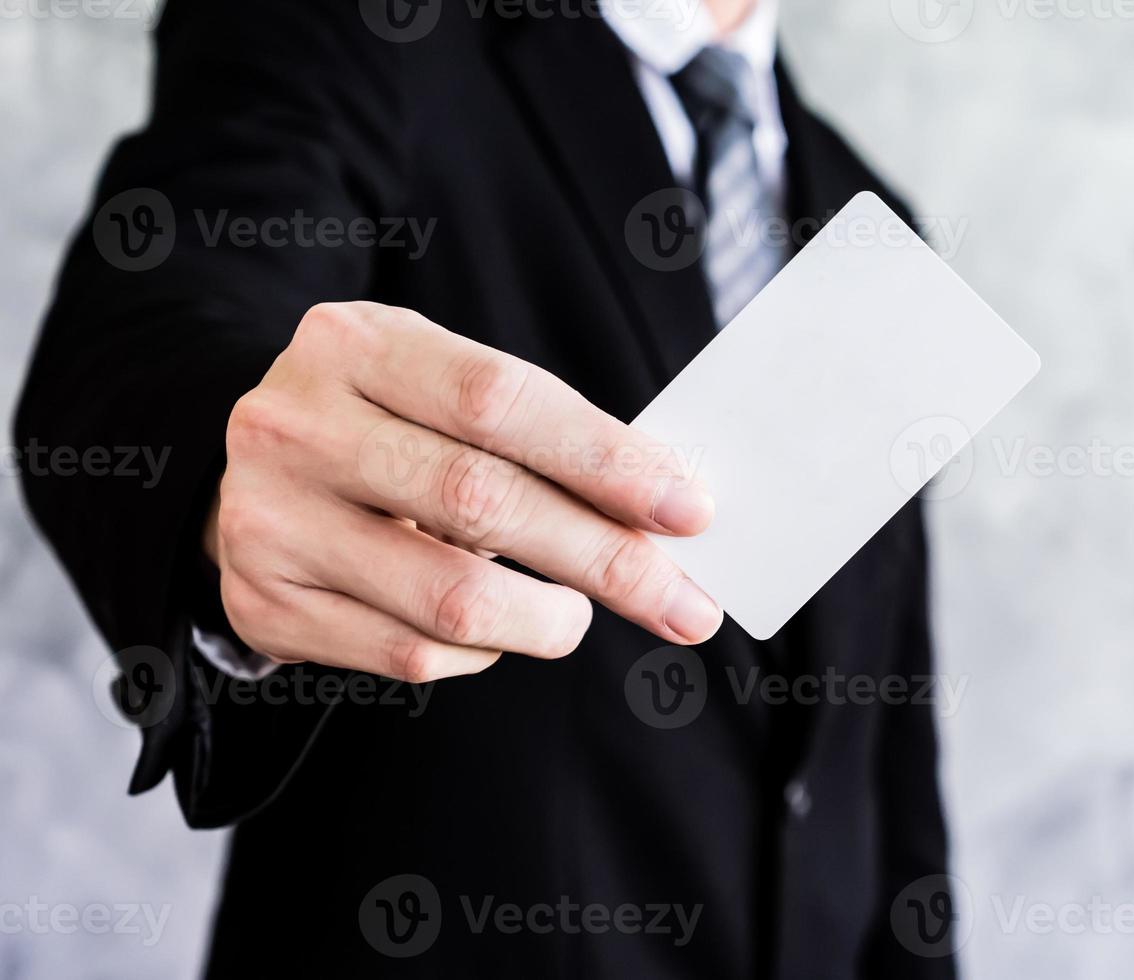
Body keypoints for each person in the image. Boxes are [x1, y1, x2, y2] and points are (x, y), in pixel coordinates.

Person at [14, 0, 955, 974]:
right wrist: (227, 472)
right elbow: (161, 318)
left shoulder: (870, 227)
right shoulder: (367, 31)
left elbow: (886, 746)